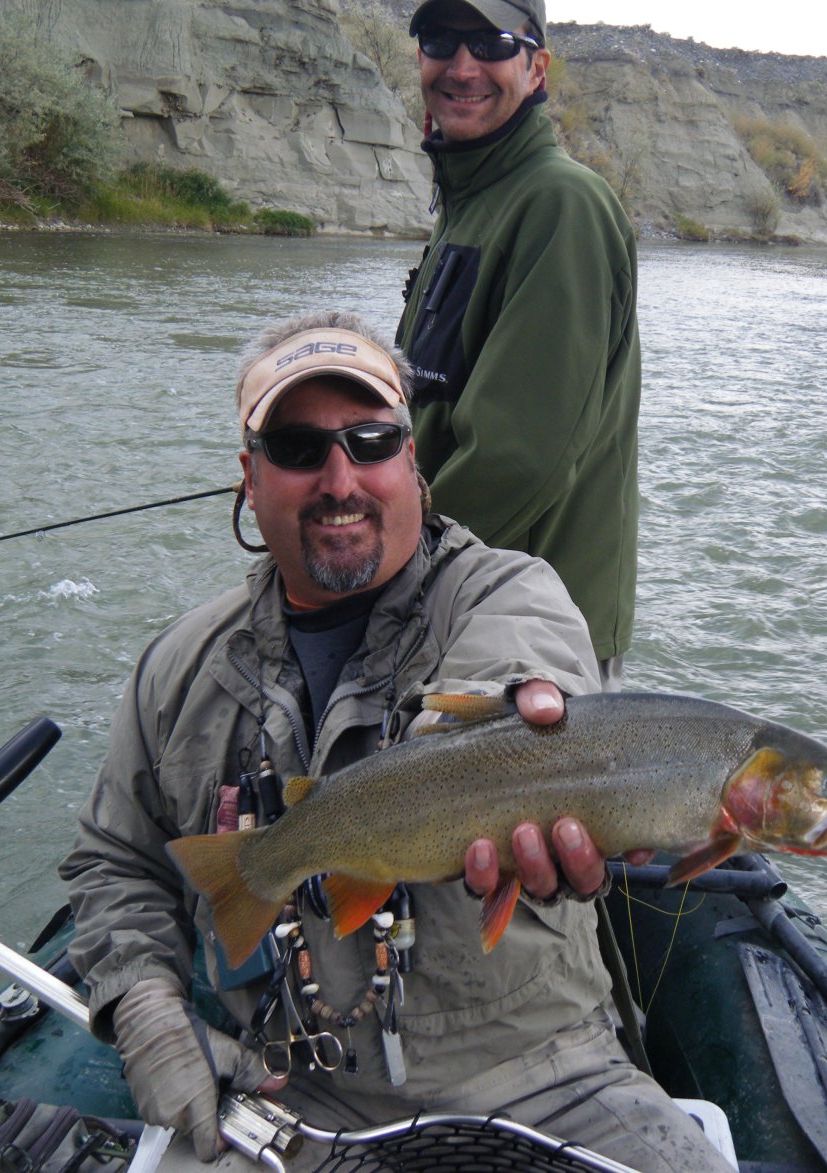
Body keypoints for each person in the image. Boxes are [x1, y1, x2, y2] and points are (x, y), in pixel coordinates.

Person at [59, 312, 727, 1173]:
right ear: (249, 477)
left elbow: (524, 675)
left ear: (412, 459)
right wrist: (147, 1009)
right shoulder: (178, 668)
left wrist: (513, 724)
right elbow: (115, 860)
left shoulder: (508, 591)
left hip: (548, 1073)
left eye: (371, 439)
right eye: (299, 448)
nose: (340, 477)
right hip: (290, 1086)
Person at [396, 0, 641, 688]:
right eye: (441, 41)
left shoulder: (560, 204)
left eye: (493, 44)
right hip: (452, 602)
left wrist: (380, 584)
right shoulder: (472, 201)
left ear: (535, 69)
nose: (463, 66)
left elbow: (518, 460)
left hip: (531, 636)